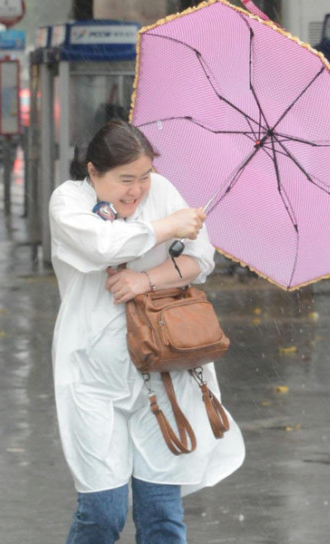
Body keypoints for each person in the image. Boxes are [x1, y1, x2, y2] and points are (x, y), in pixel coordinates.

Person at [49, 120, 245, 544]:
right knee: (103, 513)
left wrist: (146, 280)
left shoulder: (164, 193)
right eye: (125, 179)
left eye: (144, 177)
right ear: (93, 172)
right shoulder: (68, 202)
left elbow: (200, 260)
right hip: (92, 380)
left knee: (161, 515)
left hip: (164, 374)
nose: (137, 190)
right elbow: (104, 245)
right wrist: (168, 227)